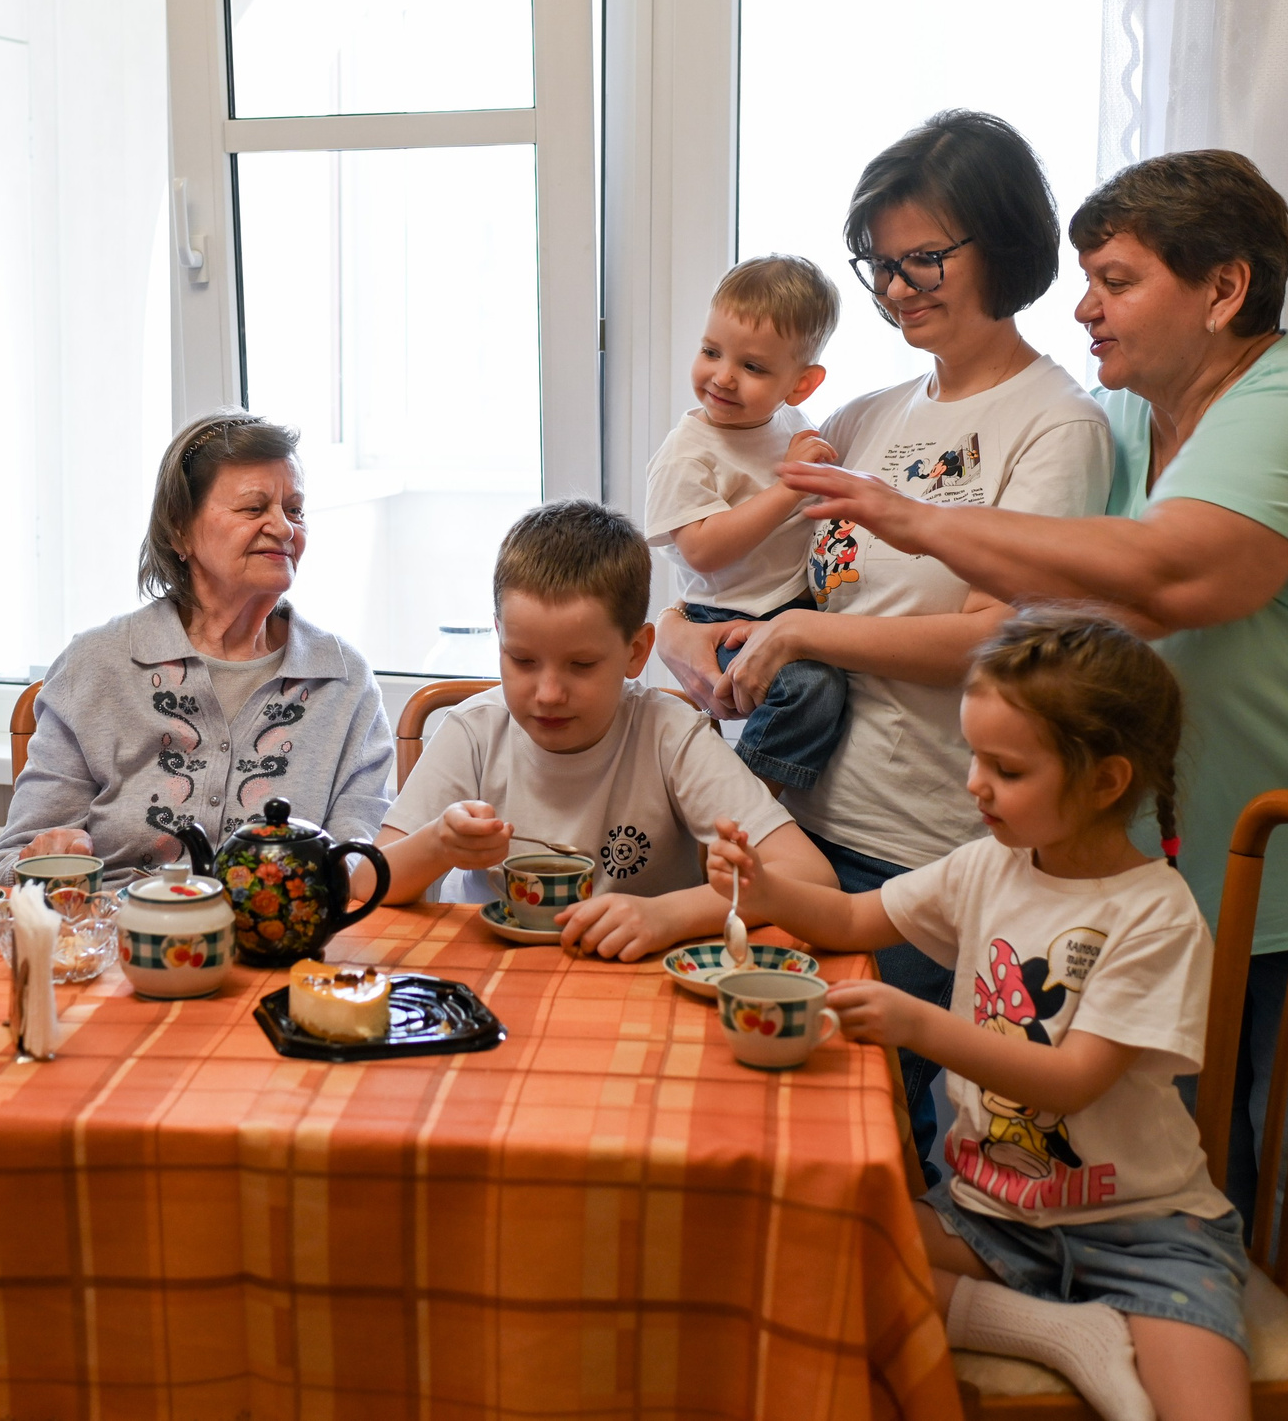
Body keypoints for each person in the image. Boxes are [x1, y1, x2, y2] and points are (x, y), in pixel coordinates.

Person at [776, 149, 1288, 1322]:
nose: (1082, 307)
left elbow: (1170, 579)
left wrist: (913, 518)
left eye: (1114, 280)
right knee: (1212, 1192)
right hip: (1210, 882)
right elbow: (1050, 591)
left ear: (1221, 289)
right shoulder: (1121, 417)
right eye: (1084, 278)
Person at [661, 111, 1114, 1176]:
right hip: (787, 826)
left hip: (924, 849)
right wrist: (690, 638)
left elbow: (1001, 641)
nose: (899, 287)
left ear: (1002, 244)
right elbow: (719, 572)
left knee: (895, 1153)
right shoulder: (869, 415)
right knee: (769, 1136)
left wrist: (811, 632)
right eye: (881, 264)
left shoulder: (1057, 424)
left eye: (924, 258)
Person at [712, 608, 1246, 1421]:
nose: (974, 783)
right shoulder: (988, 865)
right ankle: (1060, 1333)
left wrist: (919, 1025)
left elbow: (1073, 1081)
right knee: (820, 1257)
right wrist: (765, 887)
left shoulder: (1154, 914)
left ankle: (1066, 1323)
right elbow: (857, 921)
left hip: (1146, 1232)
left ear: (1107, 780)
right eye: (973, 755)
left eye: (1006, 767)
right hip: (992, 1217)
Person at [360, 500, 840, 960]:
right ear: (499, 636)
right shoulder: (474, 733)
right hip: (489, 984)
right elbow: (364, 886)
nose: (548, 693)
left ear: (636, 651)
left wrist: (667, 915)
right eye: (522, 660)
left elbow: (811, 878)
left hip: (635, 984)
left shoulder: (669, 735)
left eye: (582, 664)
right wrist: (437, 844)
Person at [0, 412, 395, 885]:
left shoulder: (342, 680)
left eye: (295, 510)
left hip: (278, 943)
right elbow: (3, 867)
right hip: (119, 939)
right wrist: (45, 864)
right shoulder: (97, 665)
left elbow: (355, 869)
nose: (284, 528)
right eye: (253, 508)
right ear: (180, 529)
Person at [641, 254, 849, 792]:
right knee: (809, 687)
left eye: (753, 367)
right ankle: (741, 805)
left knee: (836, 681)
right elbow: (704, 550)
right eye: (711, 352)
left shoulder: (793, 425)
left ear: (801, 385)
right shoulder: (688, 452)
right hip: (726, 616)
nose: (723, 376)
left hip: (796, 609)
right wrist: (790, 488)